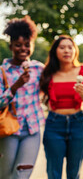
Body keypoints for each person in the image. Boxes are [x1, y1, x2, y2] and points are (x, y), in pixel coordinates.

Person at [40, 35, 83, 179]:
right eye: (62, 47)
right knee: (53, 173)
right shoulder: (48, 73)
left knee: (74, 173)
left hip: (78, 123)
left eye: (70, 47)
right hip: (54, 125)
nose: (66, 51)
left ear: (75, 51)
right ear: (55, 52)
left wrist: (82, 94)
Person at [0, 16, 44, 179]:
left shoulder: (38, 68)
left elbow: (51, 86)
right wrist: (15, 86)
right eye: (18, 45)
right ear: (11, 46)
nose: (23, 49)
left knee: (21, 175)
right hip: (8, 130)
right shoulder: (2, 71)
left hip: (32, 130)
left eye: (27, 45)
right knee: (5, 175)